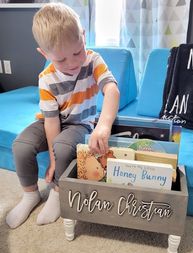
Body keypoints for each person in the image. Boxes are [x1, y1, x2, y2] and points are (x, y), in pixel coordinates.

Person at [6, 2, 120, 229]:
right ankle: (30, 195)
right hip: (51, 121)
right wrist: (51, 161)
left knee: (63, 146)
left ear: (83, 36)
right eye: (60, 60)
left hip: (81, 122)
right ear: (44, 54)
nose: (73, 63)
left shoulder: (93, 60)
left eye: (77, 52)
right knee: (21, 146)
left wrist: (104, 125)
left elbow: (112, 89)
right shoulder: (46, 78)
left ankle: (58, 193)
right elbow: (50, 121)